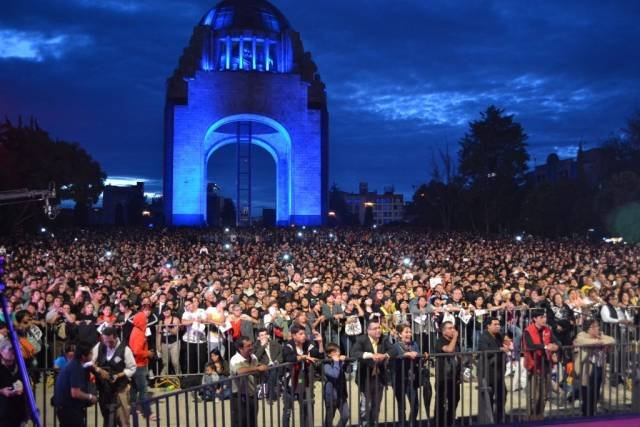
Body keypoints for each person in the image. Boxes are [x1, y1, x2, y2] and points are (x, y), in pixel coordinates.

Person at [92, 327, 137, 427]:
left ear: (116, 337)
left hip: (120, 389)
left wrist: (117, 375)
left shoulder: (125, 349)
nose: (108, 344)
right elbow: (91, 362)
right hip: (104, 390)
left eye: (110, 342)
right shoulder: (99, 346)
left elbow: (132, 368)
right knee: (108, 419)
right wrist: (98, 370)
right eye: (105, 341)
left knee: (123, 419)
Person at [351, 320, 392, 427]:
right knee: (365, 405)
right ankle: (363, 424)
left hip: (379, 377)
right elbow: (354, 352)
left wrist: (385, 355)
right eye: (375, 328)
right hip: (366, 377)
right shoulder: (361, 339)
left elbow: (393, 350)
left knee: (376, 405)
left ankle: (374, 424)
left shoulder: (384, 339)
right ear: (368, 331)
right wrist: (370, 355)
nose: (378, 330)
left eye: (379, 328)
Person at [282, 324, 324, 427]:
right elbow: (288, 357)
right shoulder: (288, 345)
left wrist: (320, 342)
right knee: (288, 410)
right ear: (293, 335)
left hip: (304, 381)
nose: (304, 336)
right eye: (300, 334)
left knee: (306, 407)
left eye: (304, 333)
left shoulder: (307, 344)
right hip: (290, 382)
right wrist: (304, 357)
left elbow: (319, 355)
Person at [523, 310, 560, 421]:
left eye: (545, 316)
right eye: (541, 317)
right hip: (533, 365)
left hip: (547, 365)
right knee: (534, 395)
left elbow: (557, 342)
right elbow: (530, 345)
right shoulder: (527, 330)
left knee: (544, 395)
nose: (544, 319)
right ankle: (531, 417)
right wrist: (546, 347)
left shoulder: (547, 329)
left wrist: (556, 347)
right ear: (535, 319)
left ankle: (540, 415)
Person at [573, 319, 615, 416]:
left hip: (599, 366)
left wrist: (600, 340)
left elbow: (612, 340)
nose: (597, 328)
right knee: (587, 392)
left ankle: (592, 412)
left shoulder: (601, 334)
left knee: (596, 392)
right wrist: (598, 341)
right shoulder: (582, 335)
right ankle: (586, 414)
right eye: (594, 327)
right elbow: (582, 341)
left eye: (597, 326)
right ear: (588, 329)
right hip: (588, 368)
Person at [53, 342, 97, 426]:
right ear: (84, 356)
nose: (92, 355)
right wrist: (91, 397)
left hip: (65, 408)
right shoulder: (76, 367)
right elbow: (75, 393)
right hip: (69, 410)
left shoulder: (73, 364)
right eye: (91, 353)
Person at [229, 336, 268, 427]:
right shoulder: (235, 359)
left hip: (252, 395)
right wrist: (257, 368)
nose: (251, 347)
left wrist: (261, 368)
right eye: (248, 346)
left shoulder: (253, 357)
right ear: (240, 348)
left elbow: (256, 373)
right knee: (240, 422)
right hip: (239, 396)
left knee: (252, 421)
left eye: (251, 345)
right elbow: (239, 371)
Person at [389, 323, 424, 426]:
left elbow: (418, 356)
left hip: (411, 378)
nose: (409, 334)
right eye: (406, 332)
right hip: (399, 379)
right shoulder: (395, 346)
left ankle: (412, 423)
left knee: (415, 404)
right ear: (400, 334)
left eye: (410, 332)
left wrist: (422, 357)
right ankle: (402, 424)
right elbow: (393, 357)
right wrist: (405, 354)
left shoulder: (414, 344)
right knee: (402, 405)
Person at [477, 317, 508, 424]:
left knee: (502, 394)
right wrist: (499, 349)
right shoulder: (483, 336)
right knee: (488, 397)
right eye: (495, 324)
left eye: (499, 324)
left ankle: (500, 416)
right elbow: (484, 350)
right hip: (487, 371)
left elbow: (506, 339)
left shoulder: (499, 335)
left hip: (499, 371)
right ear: (488, 326)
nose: (498, 326)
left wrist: (506, 341)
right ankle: (487, 420)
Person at [128, 311, 156, 421]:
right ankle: (147, 413)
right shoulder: (139, 333)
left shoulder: (136, 330)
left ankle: (133, 408)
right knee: (144, 390)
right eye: (145, 319)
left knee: (134, 388)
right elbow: (136, 351)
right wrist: (148, 353)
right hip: (139, 365)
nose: (147, 321)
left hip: (136, 364)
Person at [434, 320, 461, 427]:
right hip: (443, 378)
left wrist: (459, 374)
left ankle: (450, 421)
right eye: (450, 328)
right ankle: (439, 422)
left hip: (454, 377)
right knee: (441, 403)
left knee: (454, 399)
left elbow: (458, 357)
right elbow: (449, 350)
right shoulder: (440, 341)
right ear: (443, 331)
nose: (453, 330)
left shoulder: (456, 341)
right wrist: (455, 337)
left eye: (453, 327)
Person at [0, 340, 28, 427]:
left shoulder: (21, 366)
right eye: (10, 349)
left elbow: (28, 389)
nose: (13, 351)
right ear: (1, 351)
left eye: (14, 349)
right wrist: (1, 391)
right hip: (2, 416)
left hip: (18, 415)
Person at [322, 343, 351, 427]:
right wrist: (336, 362)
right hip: (331, 396)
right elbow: (334, 374)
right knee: (329, 419)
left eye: (338, 351)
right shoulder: (326, 363)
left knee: (346, 416)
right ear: (329, 354)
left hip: (342, 394)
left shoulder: (339, 362)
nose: (338, 353)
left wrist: (346, 362)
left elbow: (349, 371)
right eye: (335, 352)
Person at [253, 328, 283, 401]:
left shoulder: (274, 343)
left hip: (276, 365)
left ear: (268, 336)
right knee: (271, 372)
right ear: (258, 338)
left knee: (273, 370)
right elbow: (256, 357)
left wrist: (277, 361)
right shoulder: (256, 346)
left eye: (265, 335)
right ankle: (271, 395)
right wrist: (263, 346)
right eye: (262, 335)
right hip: (265, 367)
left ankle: (270, 394)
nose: (264, 337)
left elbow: (281, 352)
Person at [157, 306, 181, 376]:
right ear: (162, 312)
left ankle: (179, 376)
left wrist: (169, 329)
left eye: (168, 310)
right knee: (165, 362)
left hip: (174, 343)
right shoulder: (161, 321)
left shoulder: (175, 319)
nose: (166, 312)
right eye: (164, 311)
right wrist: (158, 345)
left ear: (170, 311)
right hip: (164, 343)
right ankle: (164, 379)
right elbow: (159, 334)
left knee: (175, 362)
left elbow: (176, 332)